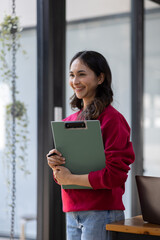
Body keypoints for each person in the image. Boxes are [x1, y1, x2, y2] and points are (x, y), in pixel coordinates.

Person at [47, 50, 135, 240]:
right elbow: (64, 177)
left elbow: (115, 176)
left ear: (100, 78)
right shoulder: (68, 121)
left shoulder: (113, 120)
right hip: (72, 212)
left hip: (101, 213)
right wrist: (57, 165)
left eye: (82, 74)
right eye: (72, 75)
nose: (75, 81)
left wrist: (70, 178)